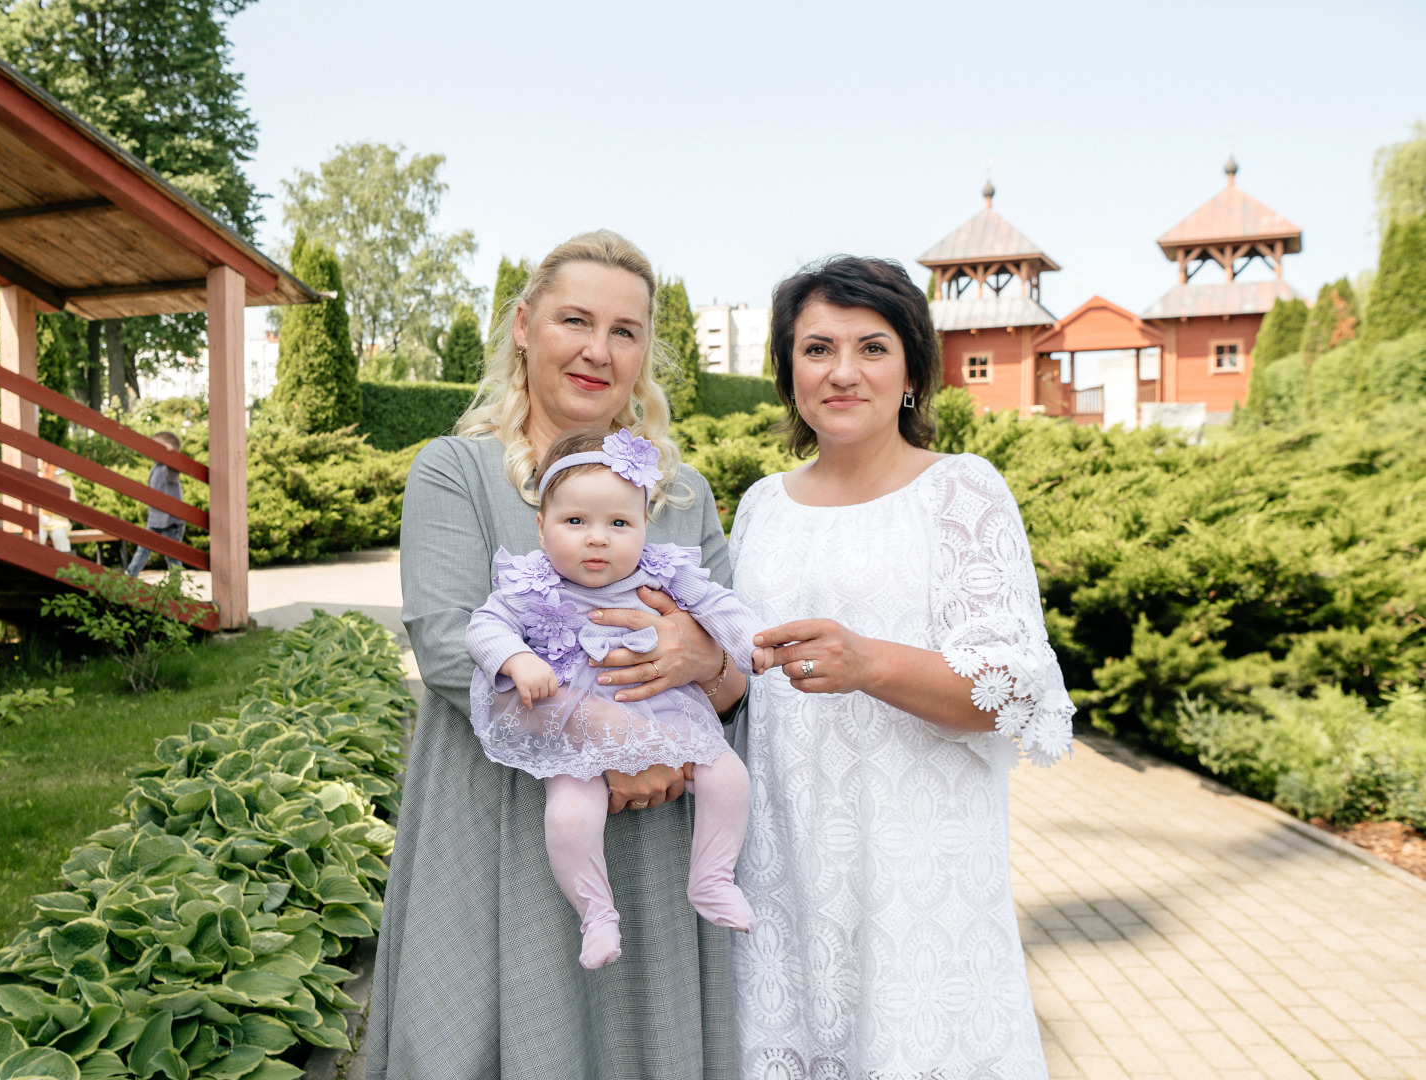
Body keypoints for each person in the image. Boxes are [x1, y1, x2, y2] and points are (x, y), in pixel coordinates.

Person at [365, 230, 748, 1080]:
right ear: (523, 327)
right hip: (495, 813)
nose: (596, 351)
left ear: (645, 352)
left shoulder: (680, 499)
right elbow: (443, 642)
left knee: (635, 1040)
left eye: (624, 331)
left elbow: (733, 670)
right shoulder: (454, 472)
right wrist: (611, 742)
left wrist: (700, 662)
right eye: (575, 320)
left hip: (654, 827)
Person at [728, 256, 1075, 1079]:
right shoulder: (759, 506)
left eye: (871, 348)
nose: (842, 372)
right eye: (816, 349)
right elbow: (741, 674)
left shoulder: (960, 492)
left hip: (916, 880)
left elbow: (1015, 693)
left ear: (914, 370)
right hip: (781, 872)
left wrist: (869, 662)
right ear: (787, 373)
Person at [467, 427, 759, 971]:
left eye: (619, 523)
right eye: (575, 521)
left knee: (729, 777)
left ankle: (712, 878)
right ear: (541, 526)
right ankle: (595, 913)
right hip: (575, 721)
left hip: (666, 711)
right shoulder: (531, 584)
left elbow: (720, 606)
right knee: (570, 815)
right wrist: (515, 658)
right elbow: (483, 627)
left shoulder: (661, 572)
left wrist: (750, 644)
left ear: (645, 527)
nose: (597, 538)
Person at [125, 431, 186, 576]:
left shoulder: (168, 470)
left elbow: (174, 468)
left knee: (172, 556)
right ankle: (130, 574)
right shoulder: (155, 469)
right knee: (143, 549)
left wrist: (170, 455)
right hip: (154, 520)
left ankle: (175, 585)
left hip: (171, 522)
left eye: (157, 447)